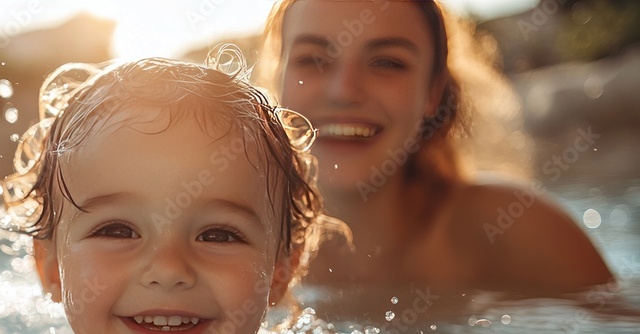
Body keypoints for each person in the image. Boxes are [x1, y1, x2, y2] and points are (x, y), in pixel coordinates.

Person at [0, 49, 331, 334]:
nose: (168, 269)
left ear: (279, 271)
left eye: (217, 235)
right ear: (51, 267)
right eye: (117, 230)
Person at [258, 0, 614, 294]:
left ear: (433, 92)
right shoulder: (237, 242)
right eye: (313, 60)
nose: (344, 91)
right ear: (278, 79)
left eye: (386, 62)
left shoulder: (517, 229)